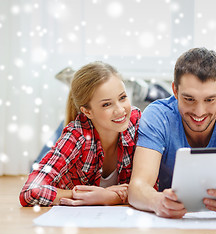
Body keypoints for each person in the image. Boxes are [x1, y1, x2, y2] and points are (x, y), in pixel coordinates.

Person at [128, 47, 216, 219]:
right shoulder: (157, 115)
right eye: (189, 99)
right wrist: (156, 201)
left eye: (210, 100)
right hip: (171, 222)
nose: (199, 112)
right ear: (175, 91)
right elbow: (137, 187)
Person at [20, 61, 141, 207]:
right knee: (43, 158)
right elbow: (30, 191)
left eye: (122, 97)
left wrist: (112, 197)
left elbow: (152, 187)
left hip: (93, 126)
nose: (121, 110)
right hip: (71, 149)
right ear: (87, 111)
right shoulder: (76, 136)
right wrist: (89, 195)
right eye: (106, 104)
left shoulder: (136, 122)